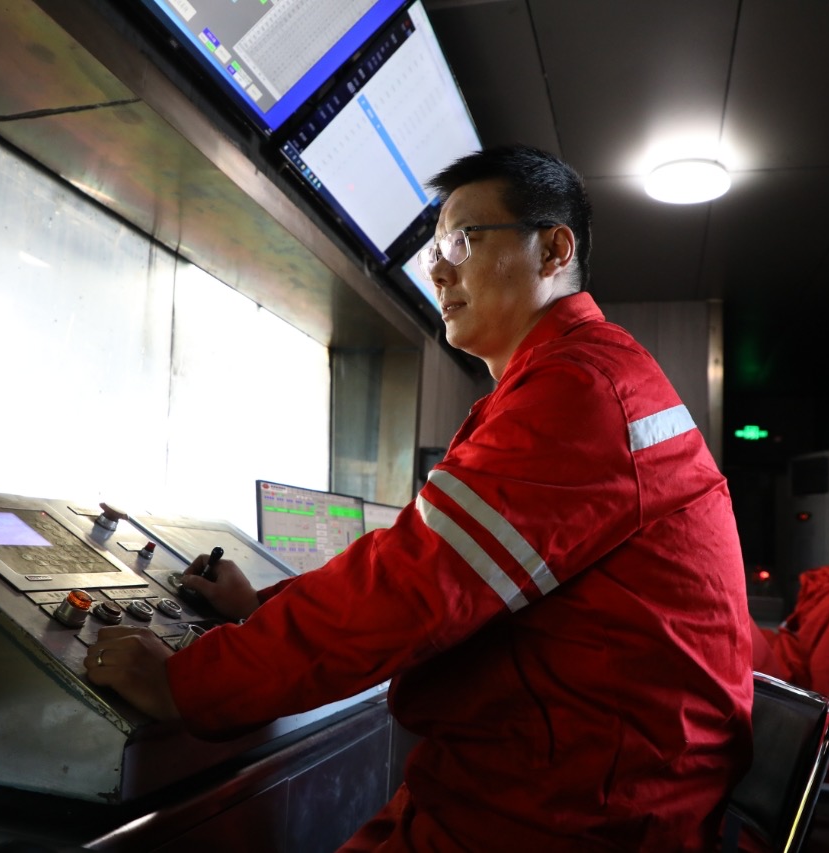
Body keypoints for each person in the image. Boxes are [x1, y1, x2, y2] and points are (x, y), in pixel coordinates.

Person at [85, 144, 753, 851]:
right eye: (434, 248)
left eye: (463, 240)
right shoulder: (570, 378)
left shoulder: (581, 388)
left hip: (584, 811)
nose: (437, 269)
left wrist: (191, 684)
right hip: (546, 777)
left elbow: (412, 586)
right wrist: (260, 607)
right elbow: (423, 561)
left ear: (554, 251)